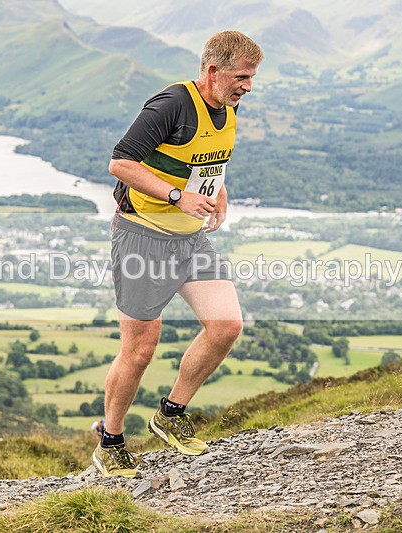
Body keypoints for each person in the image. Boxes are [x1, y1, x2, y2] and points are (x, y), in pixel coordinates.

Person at [92, 30, 263, 478]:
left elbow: (206, 160)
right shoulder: (172, 104)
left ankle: (170, 413)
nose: (248, 86)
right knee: (140, 349)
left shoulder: (228, 108)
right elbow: (121, 163)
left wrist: (220, 191)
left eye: (251, 78)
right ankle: (110, 442)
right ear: (213, 72)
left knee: (226, 325)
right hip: (143, 236)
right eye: (242, 77)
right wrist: (176, 196)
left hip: (189, 240)